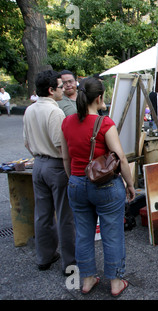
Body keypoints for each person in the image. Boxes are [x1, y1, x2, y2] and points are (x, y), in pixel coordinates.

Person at [61, 77, 136, 297]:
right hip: (105, 185)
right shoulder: (105, 124)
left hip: (76, 183)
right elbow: (120, 158)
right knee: (112, 233)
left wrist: (75, 179)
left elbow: (65, 158)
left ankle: (87, 280)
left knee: (83, 234)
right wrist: (130, 185)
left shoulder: (67, 122)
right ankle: (115, 282)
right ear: (100, 97)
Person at [22, 70, 76, 275]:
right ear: (51, 90)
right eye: (61, 87)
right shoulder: (55, 112)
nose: (64, 90)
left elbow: (27, 142)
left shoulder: (29, 110)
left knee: (42, 214)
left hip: (38, 164)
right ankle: (70, 263)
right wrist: (69, 172)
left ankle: (44, 257)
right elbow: (61, 147)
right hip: (55, 165)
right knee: (65, 215)